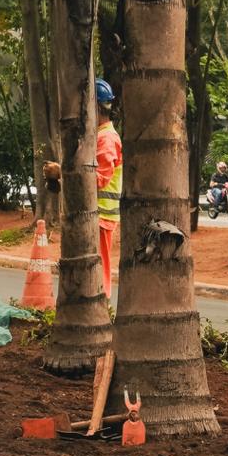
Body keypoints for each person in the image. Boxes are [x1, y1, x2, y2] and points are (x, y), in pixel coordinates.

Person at [95, 78, 123, 300]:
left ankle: (102, 305)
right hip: (99, 215)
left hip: (102, 216)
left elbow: (100, 178)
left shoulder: (106, 138)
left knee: (100, 265)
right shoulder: (100, 136)